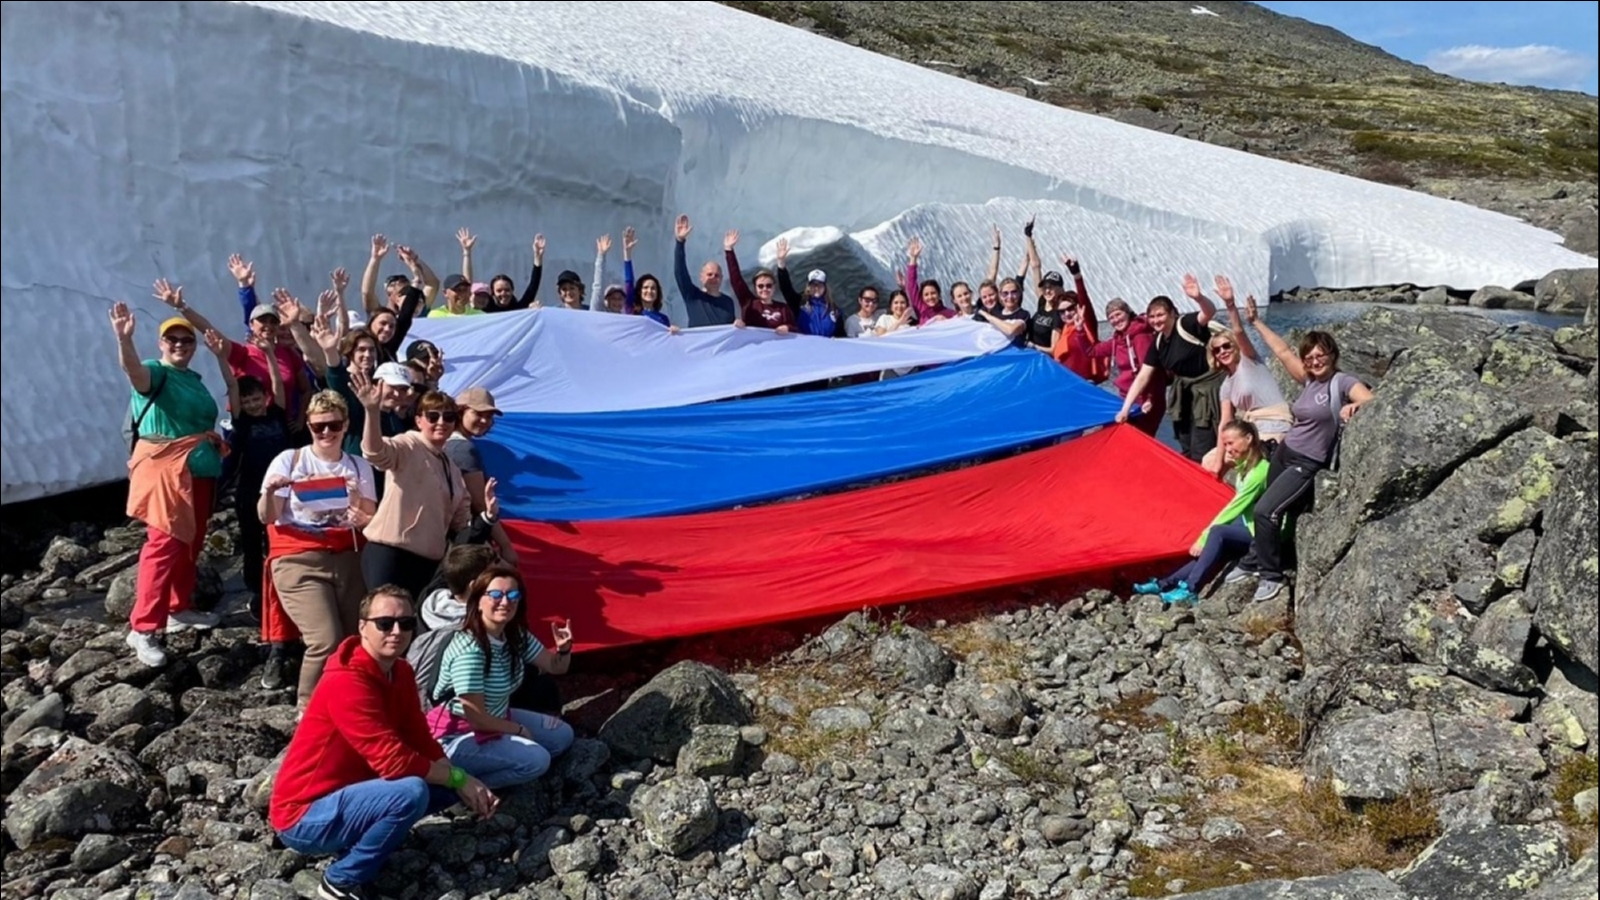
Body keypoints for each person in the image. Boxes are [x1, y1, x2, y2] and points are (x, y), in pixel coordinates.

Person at [270, 585, 498, 900]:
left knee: (447, 779)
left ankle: (362, 837)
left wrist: (458, 779)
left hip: (350, 793)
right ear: (362, 626)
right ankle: (339, 881)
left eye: (406, 623)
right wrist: (459, 778)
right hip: (303, 815)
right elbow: (394, 762)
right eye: (384, 623)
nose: (396, 631)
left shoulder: (400, 671)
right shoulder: (346, 681)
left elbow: (418, 736)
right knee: (413, 790)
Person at [111, 290, 226, 668]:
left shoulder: (191, 378)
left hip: (199, 469)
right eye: (172, 339)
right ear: (161, 343)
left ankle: (177, 609)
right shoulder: (155, 371)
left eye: (186, 340)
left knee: (190, 543)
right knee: (163, 545)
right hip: (166, 469)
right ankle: (143, 628)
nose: (179, 344)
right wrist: (124, 339)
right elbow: (134, 372)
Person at [1231, 314, 1373, 602]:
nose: (1315, 361)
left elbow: (1372, 400)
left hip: (1306, 462)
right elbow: (1282, 352)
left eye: (1321, 355)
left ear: (1332, 355)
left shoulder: (1341, 382)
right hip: (1285, 453)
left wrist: (1355, 405)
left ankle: (1271, 576)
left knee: (1267, 511)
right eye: (1309, 357)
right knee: (1266, 506)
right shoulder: (1309, 380)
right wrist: (1255, 321)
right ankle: (1253, 560)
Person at [428, 566, 575, 789]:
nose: (505, 602)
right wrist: (518, 730)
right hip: (459, 734)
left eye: (513, 595)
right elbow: (476, 717)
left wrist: (563, 650)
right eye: (496, 595)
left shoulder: (514, 635)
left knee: (562, 736)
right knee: (538, 760)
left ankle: (507, 764)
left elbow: (556, 667)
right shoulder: (470, 650)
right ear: (477, 601)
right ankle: (463, 791)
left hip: (498, 717)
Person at [1133, 420, 1270, 604]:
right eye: (1225, 444)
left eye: (1231, 443)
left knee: (1217, 533)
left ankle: (1190, 590)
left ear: (1248, 438)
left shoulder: (1258, 472)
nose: (1228, 449)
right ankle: (1164, 583)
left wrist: (1203, 537)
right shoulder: (1244, 468)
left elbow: (1234, 508)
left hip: (1263, 533)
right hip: (1250, 524)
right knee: (1215, 545)